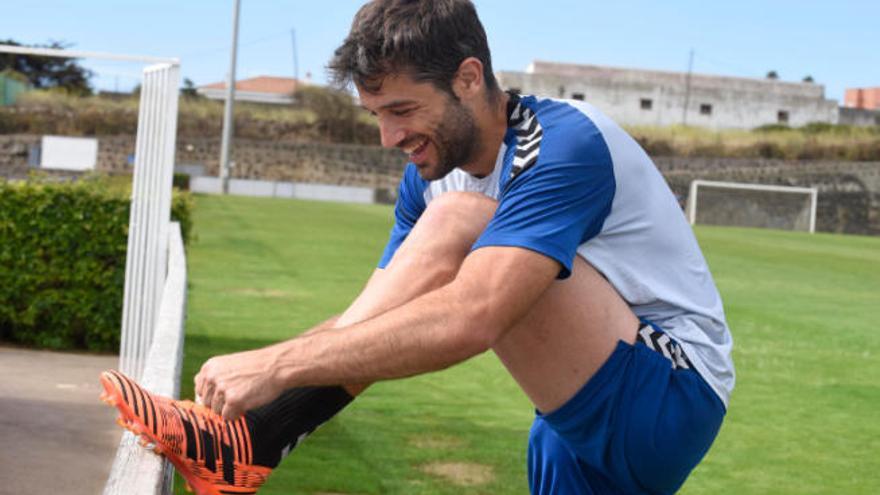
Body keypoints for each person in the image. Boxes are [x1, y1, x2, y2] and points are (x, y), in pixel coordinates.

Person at [99, 1, 734, 493]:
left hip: (667, 392)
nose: (388, 135)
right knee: (408, 275)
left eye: (402, 109)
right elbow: (373, 320)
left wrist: (275, 367)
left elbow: (474, 316)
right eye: (376, 113)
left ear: (467, 78)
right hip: (569, 417)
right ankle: (246, 447)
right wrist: (271, 379)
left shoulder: (564, 144)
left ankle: (255, 443)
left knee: (463, 219)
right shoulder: (428, 177)